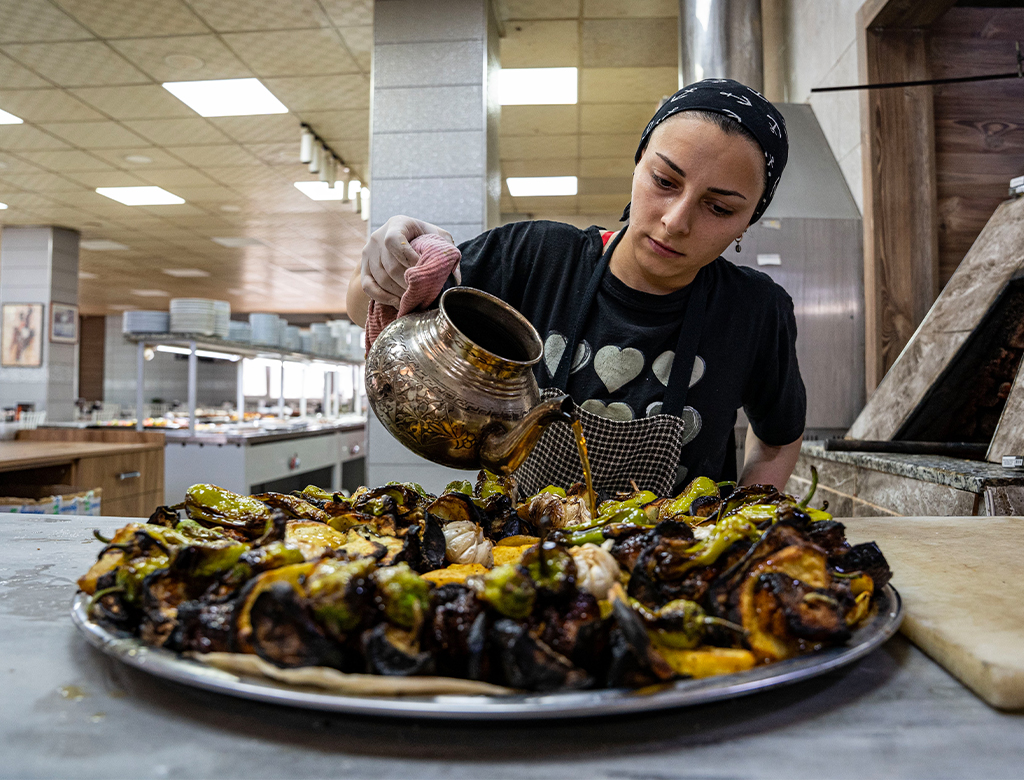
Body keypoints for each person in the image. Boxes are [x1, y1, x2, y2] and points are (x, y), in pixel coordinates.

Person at [348, 79, 805, 498]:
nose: (675, 221)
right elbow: (364, 306)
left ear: (749, 222)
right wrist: (384, 263)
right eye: (664, 182)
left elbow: (777, 441)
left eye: (719, 208)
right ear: (637, 164)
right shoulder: (535, 257)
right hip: (521, 560)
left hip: (673, 567)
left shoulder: (755, 310)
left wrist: (742, 526)